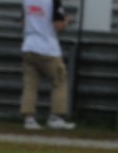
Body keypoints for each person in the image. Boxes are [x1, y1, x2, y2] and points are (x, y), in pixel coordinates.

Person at [20, 0, 76, 130]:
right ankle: (55, 117)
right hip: (47, 48)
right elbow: (58, 26)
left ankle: (29, 119)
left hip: (28, 46)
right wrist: (66, 21)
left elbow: (23, 22)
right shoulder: (54, 1)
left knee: (30, 84)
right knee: (59, 80)